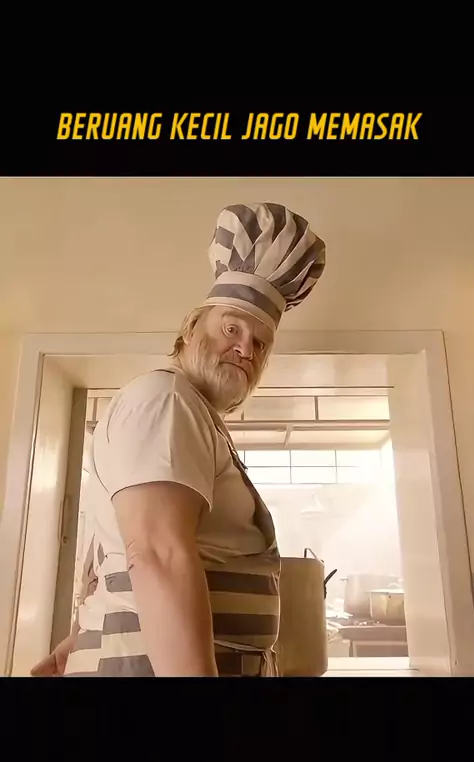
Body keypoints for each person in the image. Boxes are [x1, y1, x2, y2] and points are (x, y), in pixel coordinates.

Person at [31, 201, 326, 677]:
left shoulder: (188, 414)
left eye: (260, 343)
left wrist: (83, 634)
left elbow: (133, 555)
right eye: (232, 327)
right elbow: (156, 554)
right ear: (190, 328)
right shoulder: (166, 400)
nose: (245, 348)